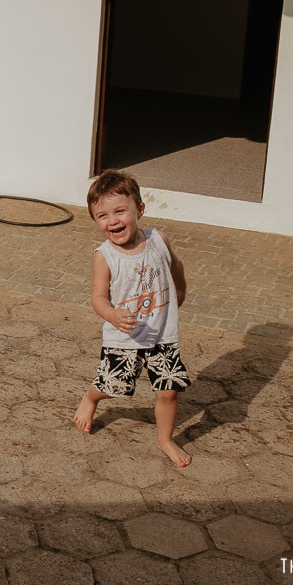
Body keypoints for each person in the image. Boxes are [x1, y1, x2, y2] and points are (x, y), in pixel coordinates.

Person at [73, 170, 193, 467]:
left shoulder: (158, 240)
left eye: (120, 211)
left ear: (139, 209)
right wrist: (112, 315)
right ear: (95, 221)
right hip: (124, 336)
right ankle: (90, 399)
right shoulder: (105, 256)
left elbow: (175, 265)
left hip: (163, 333)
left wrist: (179, 289)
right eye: (102, 215)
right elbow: (98, 297)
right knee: (112, 386)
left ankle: (165, 439)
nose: (112, 220)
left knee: (169, 391)